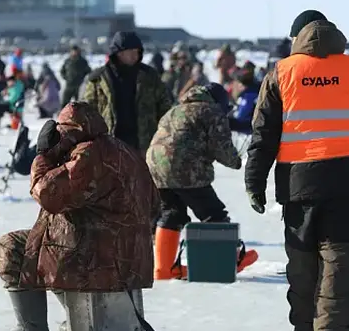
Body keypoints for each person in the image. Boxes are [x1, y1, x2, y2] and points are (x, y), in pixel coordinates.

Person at [244, 9, 349, 331]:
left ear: (296, 38)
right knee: (340, 257)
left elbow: (263, 135)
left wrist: (255, 182)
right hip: (347, 179)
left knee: (302, 259)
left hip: (298, 183)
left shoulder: (281, 73)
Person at [0, 102, 158, 331]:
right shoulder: (125, 150)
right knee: (56, 243)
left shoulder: (88, 155)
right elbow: (156, 205)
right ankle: (77, 316)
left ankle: (32, 330)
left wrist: (43, 156)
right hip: (132, 260)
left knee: (13, 246)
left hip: (97, 259)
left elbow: (47, 194)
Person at [146, 83, 255, 280]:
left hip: (156, 167)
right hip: (185, 168)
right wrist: (235, 161)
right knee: (213, 214)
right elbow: (221, 146)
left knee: (171, 213)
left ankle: (163, 268)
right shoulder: (211, 111)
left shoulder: (176, 109)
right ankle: (224, 261)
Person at [83, 31, 171, 153]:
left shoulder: (149, 76)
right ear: (118, 53)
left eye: (137, 52)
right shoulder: (98, 79)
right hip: (109, 144)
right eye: (130, 52)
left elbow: (164, 107)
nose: (134, 56)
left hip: (143, 144)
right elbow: (87, 112)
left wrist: (164, 136)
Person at [228, 66, 260, 134]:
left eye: (234, 82)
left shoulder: (249, 97)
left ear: (240, 85)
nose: (232, 85)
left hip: (247, 138)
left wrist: (226, 122)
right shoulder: (253, 93)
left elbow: (243, 122)